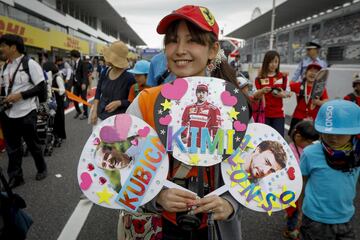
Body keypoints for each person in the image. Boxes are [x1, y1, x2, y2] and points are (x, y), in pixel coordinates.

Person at [123, 5, 246, 240]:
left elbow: (253, 169)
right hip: (160, 226)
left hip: (216, 229)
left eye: (192, 41)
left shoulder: (232, 105)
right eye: (172, 41)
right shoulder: (147, 102)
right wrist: (156, 195)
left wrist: (231, 204)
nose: (180, 50)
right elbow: (120, 163)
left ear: (213, 50)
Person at [299, 99, 360, 240]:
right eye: (327, 131)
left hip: (345, 216)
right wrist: (300, 210)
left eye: (340, 133)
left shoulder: (357, 154)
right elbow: (301, 183)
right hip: (315, 218)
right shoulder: (310, 153)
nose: (333, 137)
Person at [0, 34, 47, 188]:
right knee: (12, 148)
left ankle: (42, 168)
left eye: (3, 46)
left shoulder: (31, 64)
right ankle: (15, 176)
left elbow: (42, 88)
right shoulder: (5, 66)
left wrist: (20, 95)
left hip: (27, 112)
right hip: (8, 114)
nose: (1, 49)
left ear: (13, 47)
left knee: (33, 144)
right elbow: (4, 87)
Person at [283, 121, 319, 240]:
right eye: (308, 142)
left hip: (305, 187)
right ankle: (291, 229)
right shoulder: (290, 150)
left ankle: (297, 226)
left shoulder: (310, 148)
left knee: (303, 210)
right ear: (298, 137)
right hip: (293, 187)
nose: (310, 144)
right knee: (294, 210)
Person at [90, 41, 135, 128]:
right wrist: (94, 111)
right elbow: (98, 91)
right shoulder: (105, 72)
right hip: (100, 117)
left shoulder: (129, 78)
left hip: (118, 122)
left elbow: (133, 101)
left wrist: (120, 103)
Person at [253, 50, 291, 137]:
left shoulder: (283, 77)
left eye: (276, 61)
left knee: (278, 138)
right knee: (264, 138)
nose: (273, 64)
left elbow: (289, 93)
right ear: (266, 62)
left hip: (278, 114)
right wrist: (262, 91)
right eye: (270, 62)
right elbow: (254, 95)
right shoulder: (259, 78)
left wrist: (283, 94)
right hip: (263, 113)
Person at [288, 63, 329, 135]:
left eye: (316, 72)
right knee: (294, 137)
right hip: (298, 117)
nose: (313, 73)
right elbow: (286, 87)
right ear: (305, 73)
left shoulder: (321, 89)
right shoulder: (298, 85)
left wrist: (318, 102)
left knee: (311, 140)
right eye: (311, 70)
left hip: (314, 119)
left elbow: (326, 102)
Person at [44, 62, 66, 145]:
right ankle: (55, 136)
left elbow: (62, 90)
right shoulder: (52, 78)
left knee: (59, 119)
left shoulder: (57, 78)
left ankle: (60, 136)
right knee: (54, 120)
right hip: (54, 101)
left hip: (59, 102)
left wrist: (52, 88)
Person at [70, 49, 88, 120]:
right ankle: (78, 111)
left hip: (82, 84)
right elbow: (75, 73)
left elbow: (85, 74)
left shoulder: (82, 63)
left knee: (84, 99)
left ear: (74, 56)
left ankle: (86, 114)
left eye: (71, 56)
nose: (71, 58)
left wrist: (84, 83)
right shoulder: (75, 63)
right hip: (76, 84)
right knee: (74, 98)